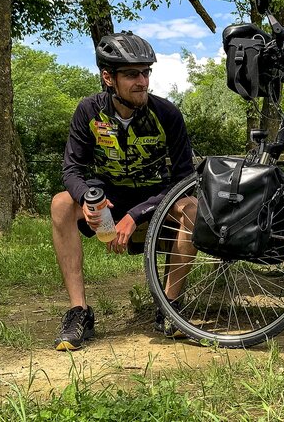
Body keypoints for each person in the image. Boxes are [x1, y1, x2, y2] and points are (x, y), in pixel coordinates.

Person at [50, 31, 197, 351]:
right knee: (61, 204)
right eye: (132, 74)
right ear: (108, 77)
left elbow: (185, 176)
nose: (142, 81)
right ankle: (79, 312)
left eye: (146, 72)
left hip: (155, 200)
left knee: (192, 207)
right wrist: (85, 199)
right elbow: (71, 170)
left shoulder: (167, 113)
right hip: (107, 204)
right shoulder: (88, 111)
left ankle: (170, 308)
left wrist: (136, 215)